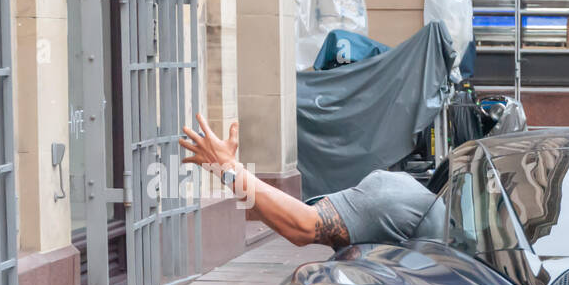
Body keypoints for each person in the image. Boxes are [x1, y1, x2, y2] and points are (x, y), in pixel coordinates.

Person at [178, 113, 443, 249]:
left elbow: (300, 228)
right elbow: (302, 226)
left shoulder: (399, 197)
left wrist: (227, 168)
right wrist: (228, 169)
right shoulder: (396, 198)